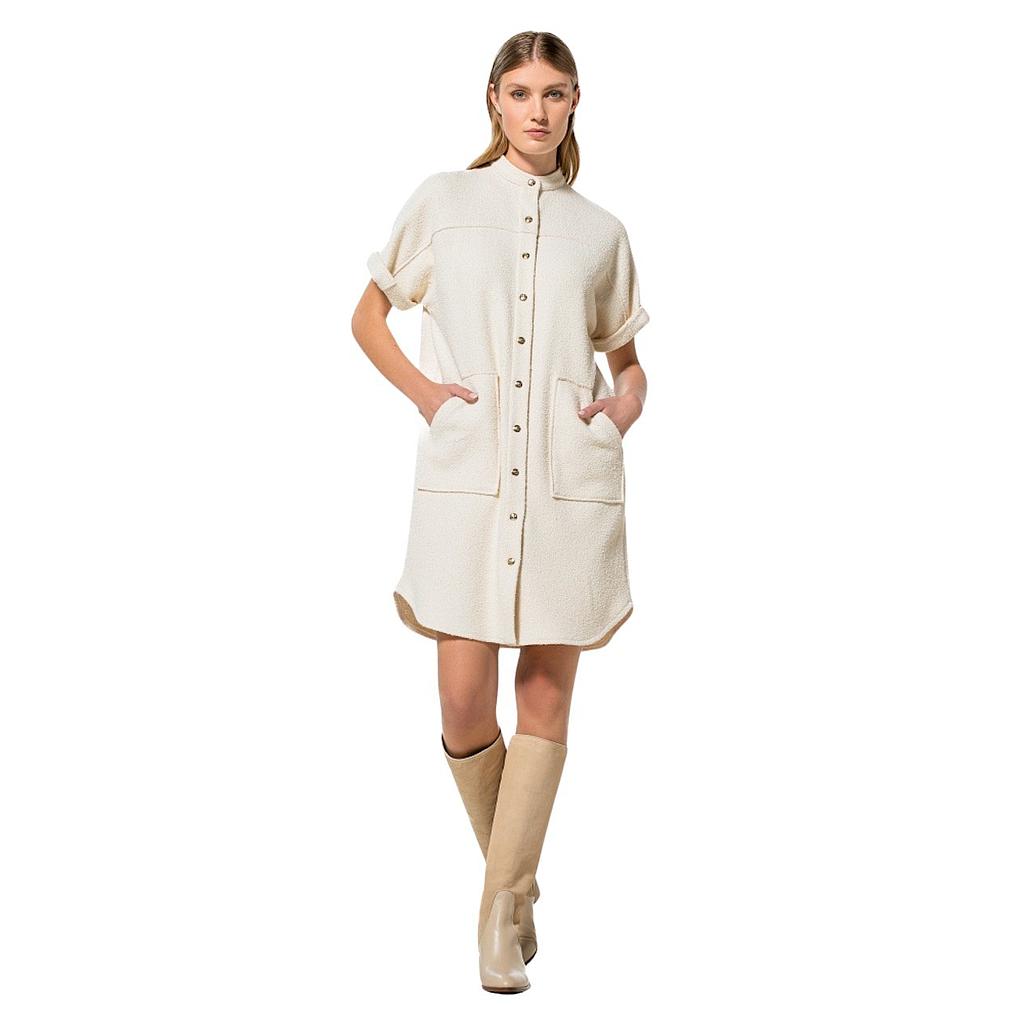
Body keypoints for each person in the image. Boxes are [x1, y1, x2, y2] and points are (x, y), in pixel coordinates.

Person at [351, 31, 650, 993]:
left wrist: (622, 410)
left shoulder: (601, 232)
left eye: (555, 93)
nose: (537, 110)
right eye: (520, 92)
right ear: (493, 100)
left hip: (566, 486)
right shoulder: (444, 202)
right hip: (469, 479)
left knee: (546, 695)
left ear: (575, 103)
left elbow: (629, 364)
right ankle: (514, 891)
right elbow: (368, 315)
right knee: (462, 699)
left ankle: (496, 924)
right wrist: (427, 397)